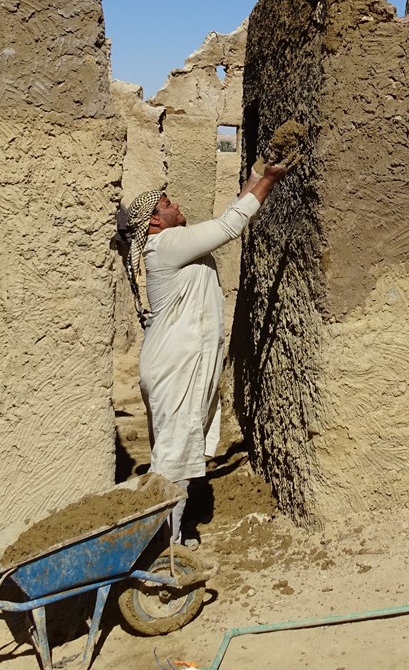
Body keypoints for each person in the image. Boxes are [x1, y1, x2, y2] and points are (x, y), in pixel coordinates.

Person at [123, 162, 286, 543]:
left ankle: (165, 537)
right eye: (166, 203)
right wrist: (269, 181)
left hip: (174, 364)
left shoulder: (167, 244)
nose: (175, 203)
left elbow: (227, 215)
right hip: (174, 366)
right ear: (154, 222)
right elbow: (229, 226)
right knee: (174, 460)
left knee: (174, 450)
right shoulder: (167, 244)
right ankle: (166, 549)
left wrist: (253, 179)